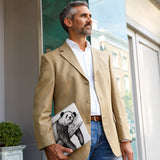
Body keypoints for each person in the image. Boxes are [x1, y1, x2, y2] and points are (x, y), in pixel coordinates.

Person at [33, 1, 134, 160]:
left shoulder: (103, 57)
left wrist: (125, 138)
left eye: (90, 16)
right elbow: (41, 109)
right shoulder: (51, 60)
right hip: (74, 137)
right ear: (69, 22)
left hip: (108, 136)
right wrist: (48, 144)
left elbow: (116, 101)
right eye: (83, 16)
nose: (89, 19)